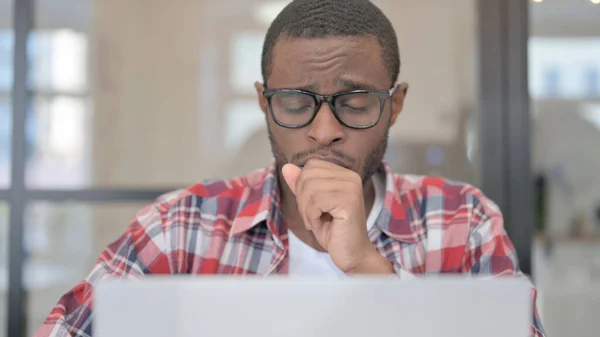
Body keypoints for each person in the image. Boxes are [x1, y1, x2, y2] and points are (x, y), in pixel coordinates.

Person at [35, 0, 545, 336]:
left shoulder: (464, 222)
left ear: (396, 104)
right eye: (297, 103)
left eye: (356, 101)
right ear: (262, 103)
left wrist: (369, 268)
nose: (324, 131)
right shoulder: (178, 229)